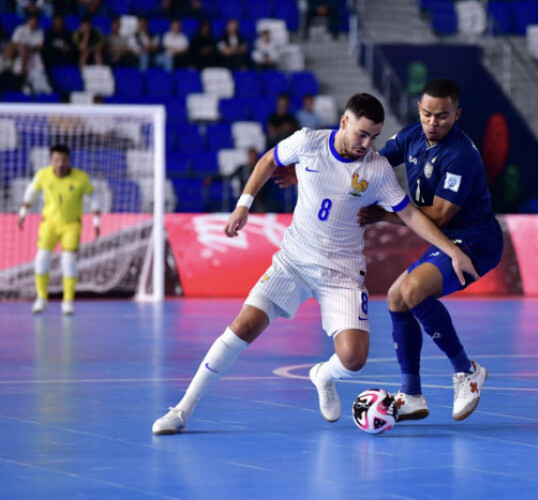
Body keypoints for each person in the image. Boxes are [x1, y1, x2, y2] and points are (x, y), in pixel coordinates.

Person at [151, 93, 479, 435]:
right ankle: (181, 410)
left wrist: (452, 250)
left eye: (374, 137)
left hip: (342, 272)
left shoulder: (378, 170)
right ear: (344, 122)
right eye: (361, 134)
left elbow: (410, 214)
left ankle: (322, 375)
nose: (367, 144)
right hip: (293, 261)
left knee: (353, 360)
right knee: (243, 327)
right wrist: (244, 205)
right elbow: (267, 161)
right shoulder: (308, 142)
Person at [359, 78, 504, 422]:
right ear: (419, 110)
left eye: (442, 116)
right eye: (426, 114)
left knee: (412, 290)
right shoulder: (411, 136)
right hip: (445, 240)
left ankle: (467, 371)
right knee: (396, 298)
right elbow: (374, 161)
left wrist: (382, 214)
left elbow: (439, 215)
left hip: (474, 241)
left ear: (457, 114)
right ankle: (410, 395)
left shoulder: (460, 155)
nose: (433, 123)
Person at [17, 144, 101, 315]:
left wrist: (96, 220)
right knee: (41, 259)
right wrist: (23, 213)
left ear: (69, 160)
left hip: (71, 225)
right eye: (56, 160)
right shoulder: (43, 175)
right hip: (49, 223)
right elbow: (31, 192)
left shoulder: (80, 178)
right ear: (51, 160)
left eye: (63, 160)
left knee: (68, 261)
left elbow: (93, 195)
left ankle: (68, 301)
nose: (60, 164)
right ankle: (41, 299)